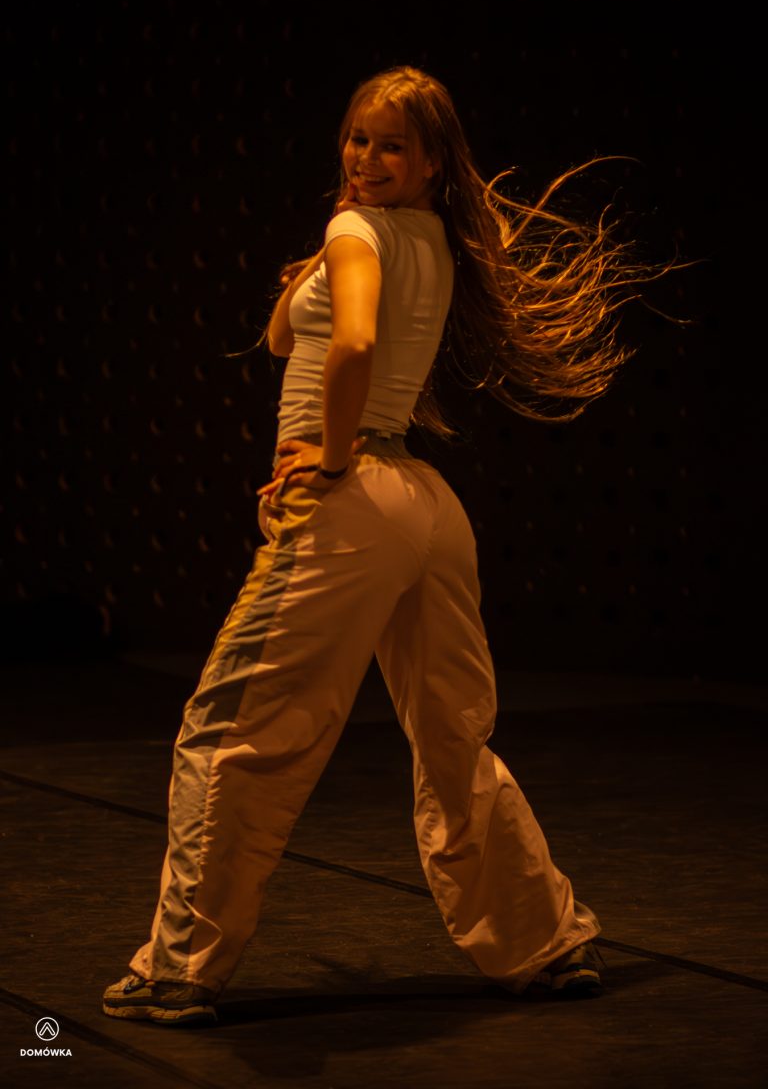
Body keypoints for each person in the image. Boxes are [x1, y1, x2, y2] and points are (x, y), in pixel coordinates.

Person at [103, 64, 659, 1026]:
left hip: (353, 499)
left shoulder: (359, 233)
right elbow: (285, 340)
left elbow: (353, 346)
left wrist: (325, 459)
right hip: (423, 507)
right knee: (454, 740)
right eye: (358, 138)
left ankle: (178, 967)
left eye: (392, 144)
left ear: (434, 159)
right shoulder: (424, 236)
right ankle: (545, 942)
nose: (366, 157)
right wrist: (314, 270)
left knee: (232, 730)